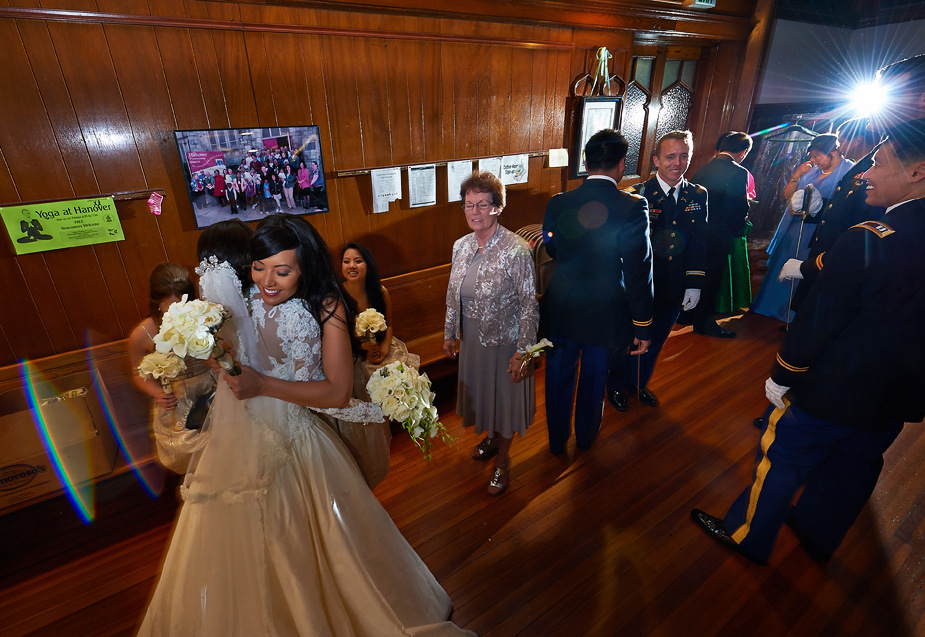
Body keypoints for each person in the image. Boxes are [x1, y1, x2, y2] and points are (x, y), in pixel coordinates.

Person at [138, 214, 474, 636]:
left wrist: (262, 384)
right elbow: (236, 360)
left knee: (307, 543)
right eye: (258, 268)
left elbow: (336, 392)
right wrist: (222, 360)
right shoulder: (243, 301)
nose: (267, 282)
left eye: (282, 270)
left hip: (294, 437)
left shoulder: (327, 306)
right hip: (236, 437)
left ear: (305, 265)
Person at [691, 119, 925, 565]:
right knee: (854, 466)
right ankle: (818, 533)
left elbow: (820, 321)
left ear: (918, 172)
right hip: (898, 393)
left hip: (836, 387)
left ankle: (747, 535)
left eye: (881, 163)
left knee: (784, 458)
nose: (868, 173)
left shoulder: (870, 239)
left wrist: (784, 374)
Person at [541, 129, 653, 453]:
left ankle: (557, 440)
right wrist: (643, 324)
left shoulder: (559, 201)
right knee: (593, 379)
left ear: (586, 162)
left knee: (558, 376)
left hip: (562, 302)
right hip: (606, 309)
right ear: (621, 165)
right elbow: (638, 268)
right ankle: (586, 438)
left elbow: (550, 247)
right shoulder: (633, 205)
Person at [443, 171, 538, 496]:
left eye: (483, 204)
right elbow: (452, 293)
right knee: (485, 399)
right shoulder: (461, 246)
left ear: (498, 207)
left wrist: (523, 352)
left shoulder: (516, 250)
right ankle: (492, 439)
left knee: (505, 404)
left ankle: (503, 461)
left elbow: (530, 305)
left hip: (504, 344)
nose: (475, 212)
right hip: (473, 343)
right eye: (469, 205)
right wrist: (450, 333)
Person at [606, 130, 707, 410]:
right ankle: (614, 385)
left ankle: (638, 383)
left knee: (656, 339)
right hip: (638, 288)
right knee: (627, 339)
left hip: (674, 285)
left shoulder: (698, 194)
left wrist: (695, 283)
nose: (677, 162)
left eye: (683, 155)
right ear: (656, 160)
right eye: (670, 157)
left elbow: (699, 240)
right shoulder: (636, 196)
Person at [751, 133, 854, 322]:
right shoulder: (811, 171)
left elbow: (848, 207)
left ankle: (791, 313)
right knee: (781, 263)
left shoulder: (849, 172)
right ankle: (767, 306)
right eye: (811, 156)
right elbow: (787, 196)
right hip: (795, 224)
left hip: (816, 230)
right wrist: (797, 175)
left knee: (803, 266)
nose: (813, 160)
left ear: (833, 151)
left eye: (817, 155)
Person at [128, 263, 214, 474]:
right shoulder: (143, 334)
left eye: (182, 305)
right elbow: (137, 374)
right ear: (157, 301)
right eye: (170, 307)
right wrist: (157, 393)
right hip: (178, 398)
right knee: (196, 460)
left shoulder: (206, 319)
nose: (176, 312)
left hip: (213, 388)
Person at [681, 131, 752, 337]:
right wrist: (737, 229)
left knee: (694, 274)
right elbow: (740, 206)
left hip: (695, 231)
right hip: (718, 233)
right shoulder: (739, 172)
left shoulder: (704, 168)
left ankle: (686, 315)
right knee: (712, 279)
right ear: (743, 152)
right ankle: (704, 324)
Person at [341, 242, 421, 397]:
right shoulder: (338, 297)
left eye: (358, 261)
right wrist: (363, 347)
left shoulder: (380, 292)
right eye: (346, 261)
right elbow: (337, 337)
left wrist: (383, 349)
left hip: (380, 344)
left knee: (398, 374)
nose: (352, 266)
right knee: (366, 375)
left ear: (368, 265)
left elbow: (389, 326)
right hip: (352, 352)